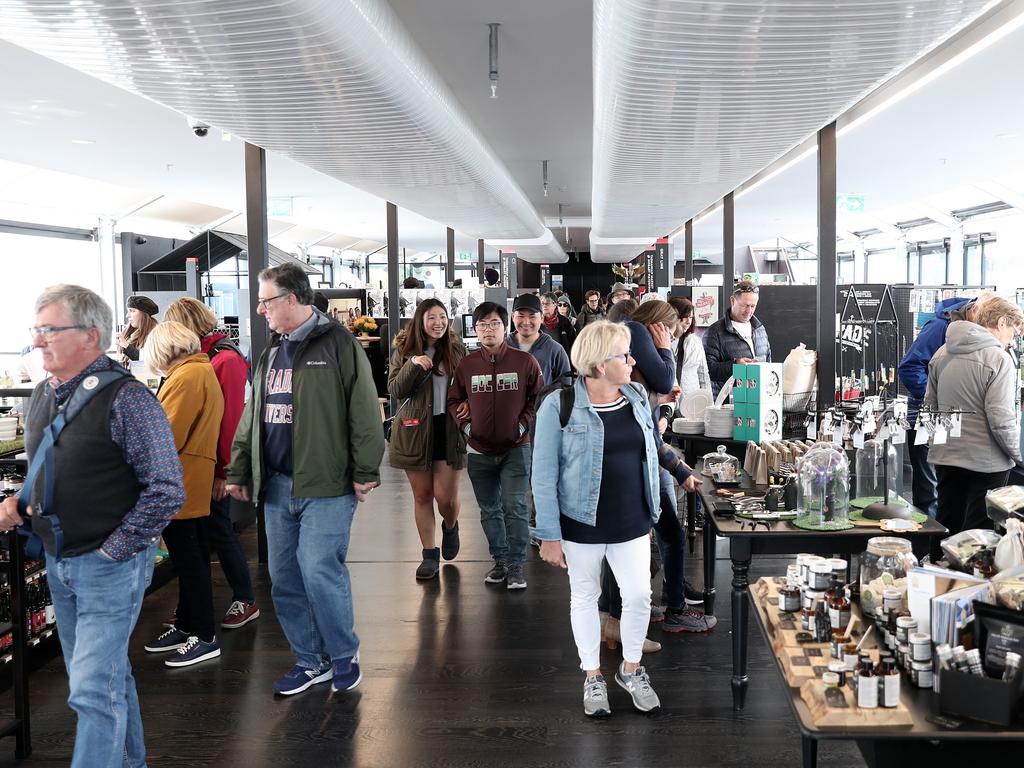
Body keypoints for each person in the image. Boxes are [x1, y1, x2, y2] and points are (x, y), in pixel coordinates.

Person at [0, 284, 183, 768]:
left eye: (49, 330)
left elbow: (166, 487)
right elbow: (48, 464)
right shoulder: (42, 394)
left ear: (91, 336)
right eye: (36, 330)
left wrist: (114, 551)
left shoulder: (130, 400)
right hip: (59, 561)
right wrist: (19, 499)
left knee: (89, 691)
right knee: (107, 679)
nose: (38, 341)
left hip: (108, 566)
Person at [226, 263, 384, 696]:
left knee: (318, 570)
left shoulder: (338, 343)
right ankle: (310, 660)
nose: (260, 310)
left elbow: (365, 411)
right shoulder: (269, 354)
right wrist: (240, 469)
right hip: (276, 486)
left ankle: (343, 653)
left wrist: (366, 469)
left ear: (292, 299)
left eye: (266, 301)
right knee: (285, 577)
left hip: (327, 485)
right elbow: (252, 417)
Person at [533, 322, 697, 716]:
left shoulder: (637, 394)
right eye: (624, 355)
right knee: (586, 598)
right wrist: (549, 536)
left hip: (633, 517)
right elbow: (543, 474)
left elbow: (653, 442)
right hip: (580, 522)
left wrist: (679, 470)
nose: (632, 361)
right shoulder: (559, 404)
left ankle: (631, 668)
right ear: (599, 364)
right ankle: (592, 677)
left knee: (639, 596)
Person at [621, 299, 716, 633]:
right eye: (669, 332)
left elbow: (655, 393)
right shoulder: (636, 330)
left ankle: (662, 602)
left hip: (647, 451)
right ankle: (668, 607)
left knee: (662, 532)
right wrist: (663, 350)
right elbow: (663, 379)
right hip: (641, 457)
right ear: (659, 324)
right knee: (664, 533)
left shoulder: (630, 335)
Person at [163, 297, 259, 628]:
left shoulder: (225, 359)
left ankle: (245, 598)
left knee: (218, 530)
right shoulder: (206, 358)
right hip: (202, 465)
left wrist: (224, 471)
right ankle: (191, 608)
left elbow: (230, 421)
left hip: (213, 465)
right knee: (202, 536)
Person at [142, 321, 225, 667]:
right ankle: (190, 625)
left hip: (179, 479)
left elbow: (166, 434)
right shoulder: (199, 370)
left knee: (190, 560)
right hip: (188, 476)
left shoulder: (187, 377)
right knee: (192, 557)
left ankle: (204, 635)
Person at [448, 301, 542, 590]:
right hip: (478, 451)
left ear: (505, 327)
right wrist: (467, 428)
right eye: (482, 325)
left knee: (514, 506)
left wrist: (521, 425)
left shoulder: (525, 362)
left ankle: (516, 565)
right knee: (489, 509)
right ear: (475, 330)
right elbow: (453, 400)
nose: (488, 329)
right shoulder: (467, 365)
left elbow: (536, 398)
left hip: (516, 449)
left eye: (494, 324)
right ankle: (499, 561)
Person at [924, 297, 1024, 534]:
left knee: (946, 523)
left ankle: (937, 569)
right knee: (978, 535)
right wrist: (1019, 457)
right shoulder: (999, 359)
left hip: (947, 457)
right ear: (1001, 323)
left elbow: (930, 407)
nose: (1013, 338)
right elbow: (1001, 419)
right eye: (1014, 330)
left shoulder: (942, 352)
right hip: (987, 462)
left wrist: (936, 447)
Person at [388, 298, 468, 581]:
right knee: (422, 496)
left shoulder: (457, 349)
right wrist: (414, 365)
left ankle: (451, 524)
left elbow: (468, 386)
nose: (438, 322)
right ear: (420, 320)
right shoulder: (404, 350)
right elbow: (396, 390)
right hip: (415, 430)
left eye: (443, 317)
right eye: (432, 317)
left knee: (445, 498)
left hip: (449, 428)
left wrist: (468, 406)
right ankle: (429, 555)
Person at [898, 294, 991, 517]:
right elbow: (909, 367)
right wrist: (937, 396)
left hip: (955, 422)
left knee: (948, 492)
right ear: (975, 311)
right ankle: (925, 546)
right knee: (929, 492)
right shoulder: (939, 326)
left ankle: (939, 544)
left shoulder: (975, 335)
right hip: (928, 420)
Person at [703, 281, 771, 396]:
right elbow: (707, 370)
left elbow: (768, 361)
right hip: (728, 405)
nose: (749, 311)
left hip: (759, 399)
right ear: (733, 300)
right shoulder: (714, 332)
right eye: (745, 305)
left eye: (753, 306)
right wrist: (734, 366)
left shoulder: (760, 329)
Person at [507, 293, 572, 387]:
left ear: (541, 318)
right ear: (513, 317)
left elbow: (565, 387)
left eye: (532, 316)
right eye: (521, 316)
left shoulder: (555, 350)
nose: (526, 322)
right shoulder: (502, 348)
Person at [668, 296, 711, 405]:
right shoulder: (664, 340)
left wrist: (708, 401)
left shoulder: (695, 341)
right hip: (671, 399)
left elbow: (703, 373)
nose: (688, 321)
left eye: (691, 317)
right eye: (684, 317)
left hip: (693, 398)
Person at [116, 294, 159, 368]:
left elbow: (150, 360)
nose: (127, 315)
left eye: (132, 311)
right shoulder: (130, 333)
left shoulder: (156, 334)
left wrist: (126, 346)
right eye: (128, 311)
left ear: (143, 314)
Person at [540, 291, 576, 357]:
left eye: (547, 303)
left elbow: (574, 342)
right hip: (542, 359)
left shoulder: (564, 321)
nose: (544, 306)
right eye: (542, 303)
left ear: (555, 304)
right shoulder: (537, 321)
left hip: (561, 358)